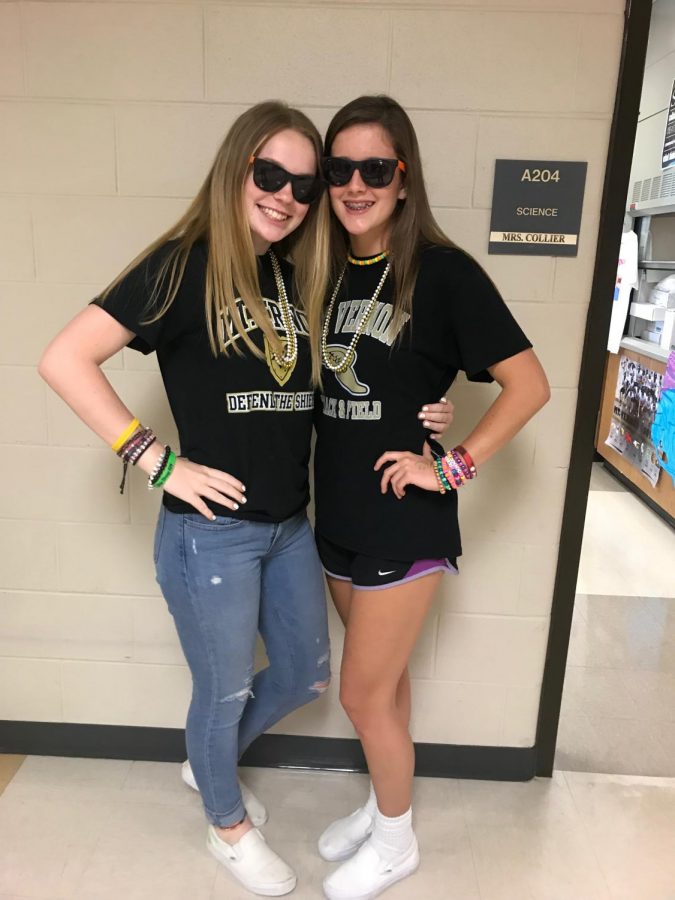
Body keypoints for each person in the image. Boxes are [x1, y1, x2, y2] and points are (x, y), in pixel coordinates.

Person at [38, 100, 452, 898]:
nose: (286, 196)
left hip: (288, 525)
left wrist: (431, 413)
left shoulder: (293, 272)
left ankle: (207, 761)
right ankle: (226, 824)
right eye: (270, 175)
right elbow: (65, 358)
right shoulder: (179, 262)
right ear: (236, 170)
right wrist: (157, 462)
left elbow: (365, 363)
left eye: (304, 183)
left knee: (301, 674)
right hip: (210, 536)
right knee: (223, 691)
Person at [310, 95, 551, 900]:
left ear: (403, 178)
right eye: (339, 169)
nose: (353, 185)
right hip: (338, 516)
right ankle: (387, 810)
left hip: (401, 522)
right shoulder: (324, 267)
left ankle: (396, 845)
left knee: (359, 693)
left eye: (372, 169)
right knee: (386, 686)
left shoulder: (444, 273)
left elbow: (528, 384)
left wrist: (450, 466)